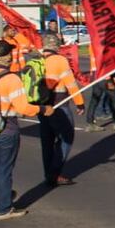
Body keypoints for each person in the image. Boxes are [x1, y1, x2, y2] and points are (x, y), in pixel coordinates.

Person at [0, 41, 54, 220]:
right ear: (6, 57)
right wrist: (43, 109)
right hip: (6, 128)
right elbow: (23, 108)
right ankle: (4, 208)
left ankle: (3, 195)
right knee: (4, 168)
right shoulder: (11, 78)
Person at [37, 33, 85, 186]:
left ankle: (48, 173)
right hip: (58, 105)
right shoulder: (59, 60)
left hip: (41, 105)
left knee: (47, 141)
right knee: (66, 137)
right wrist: (79, 102)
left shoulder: (37, 60)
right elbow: (70, 83)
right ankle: (54, 173)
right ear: (56, 46)